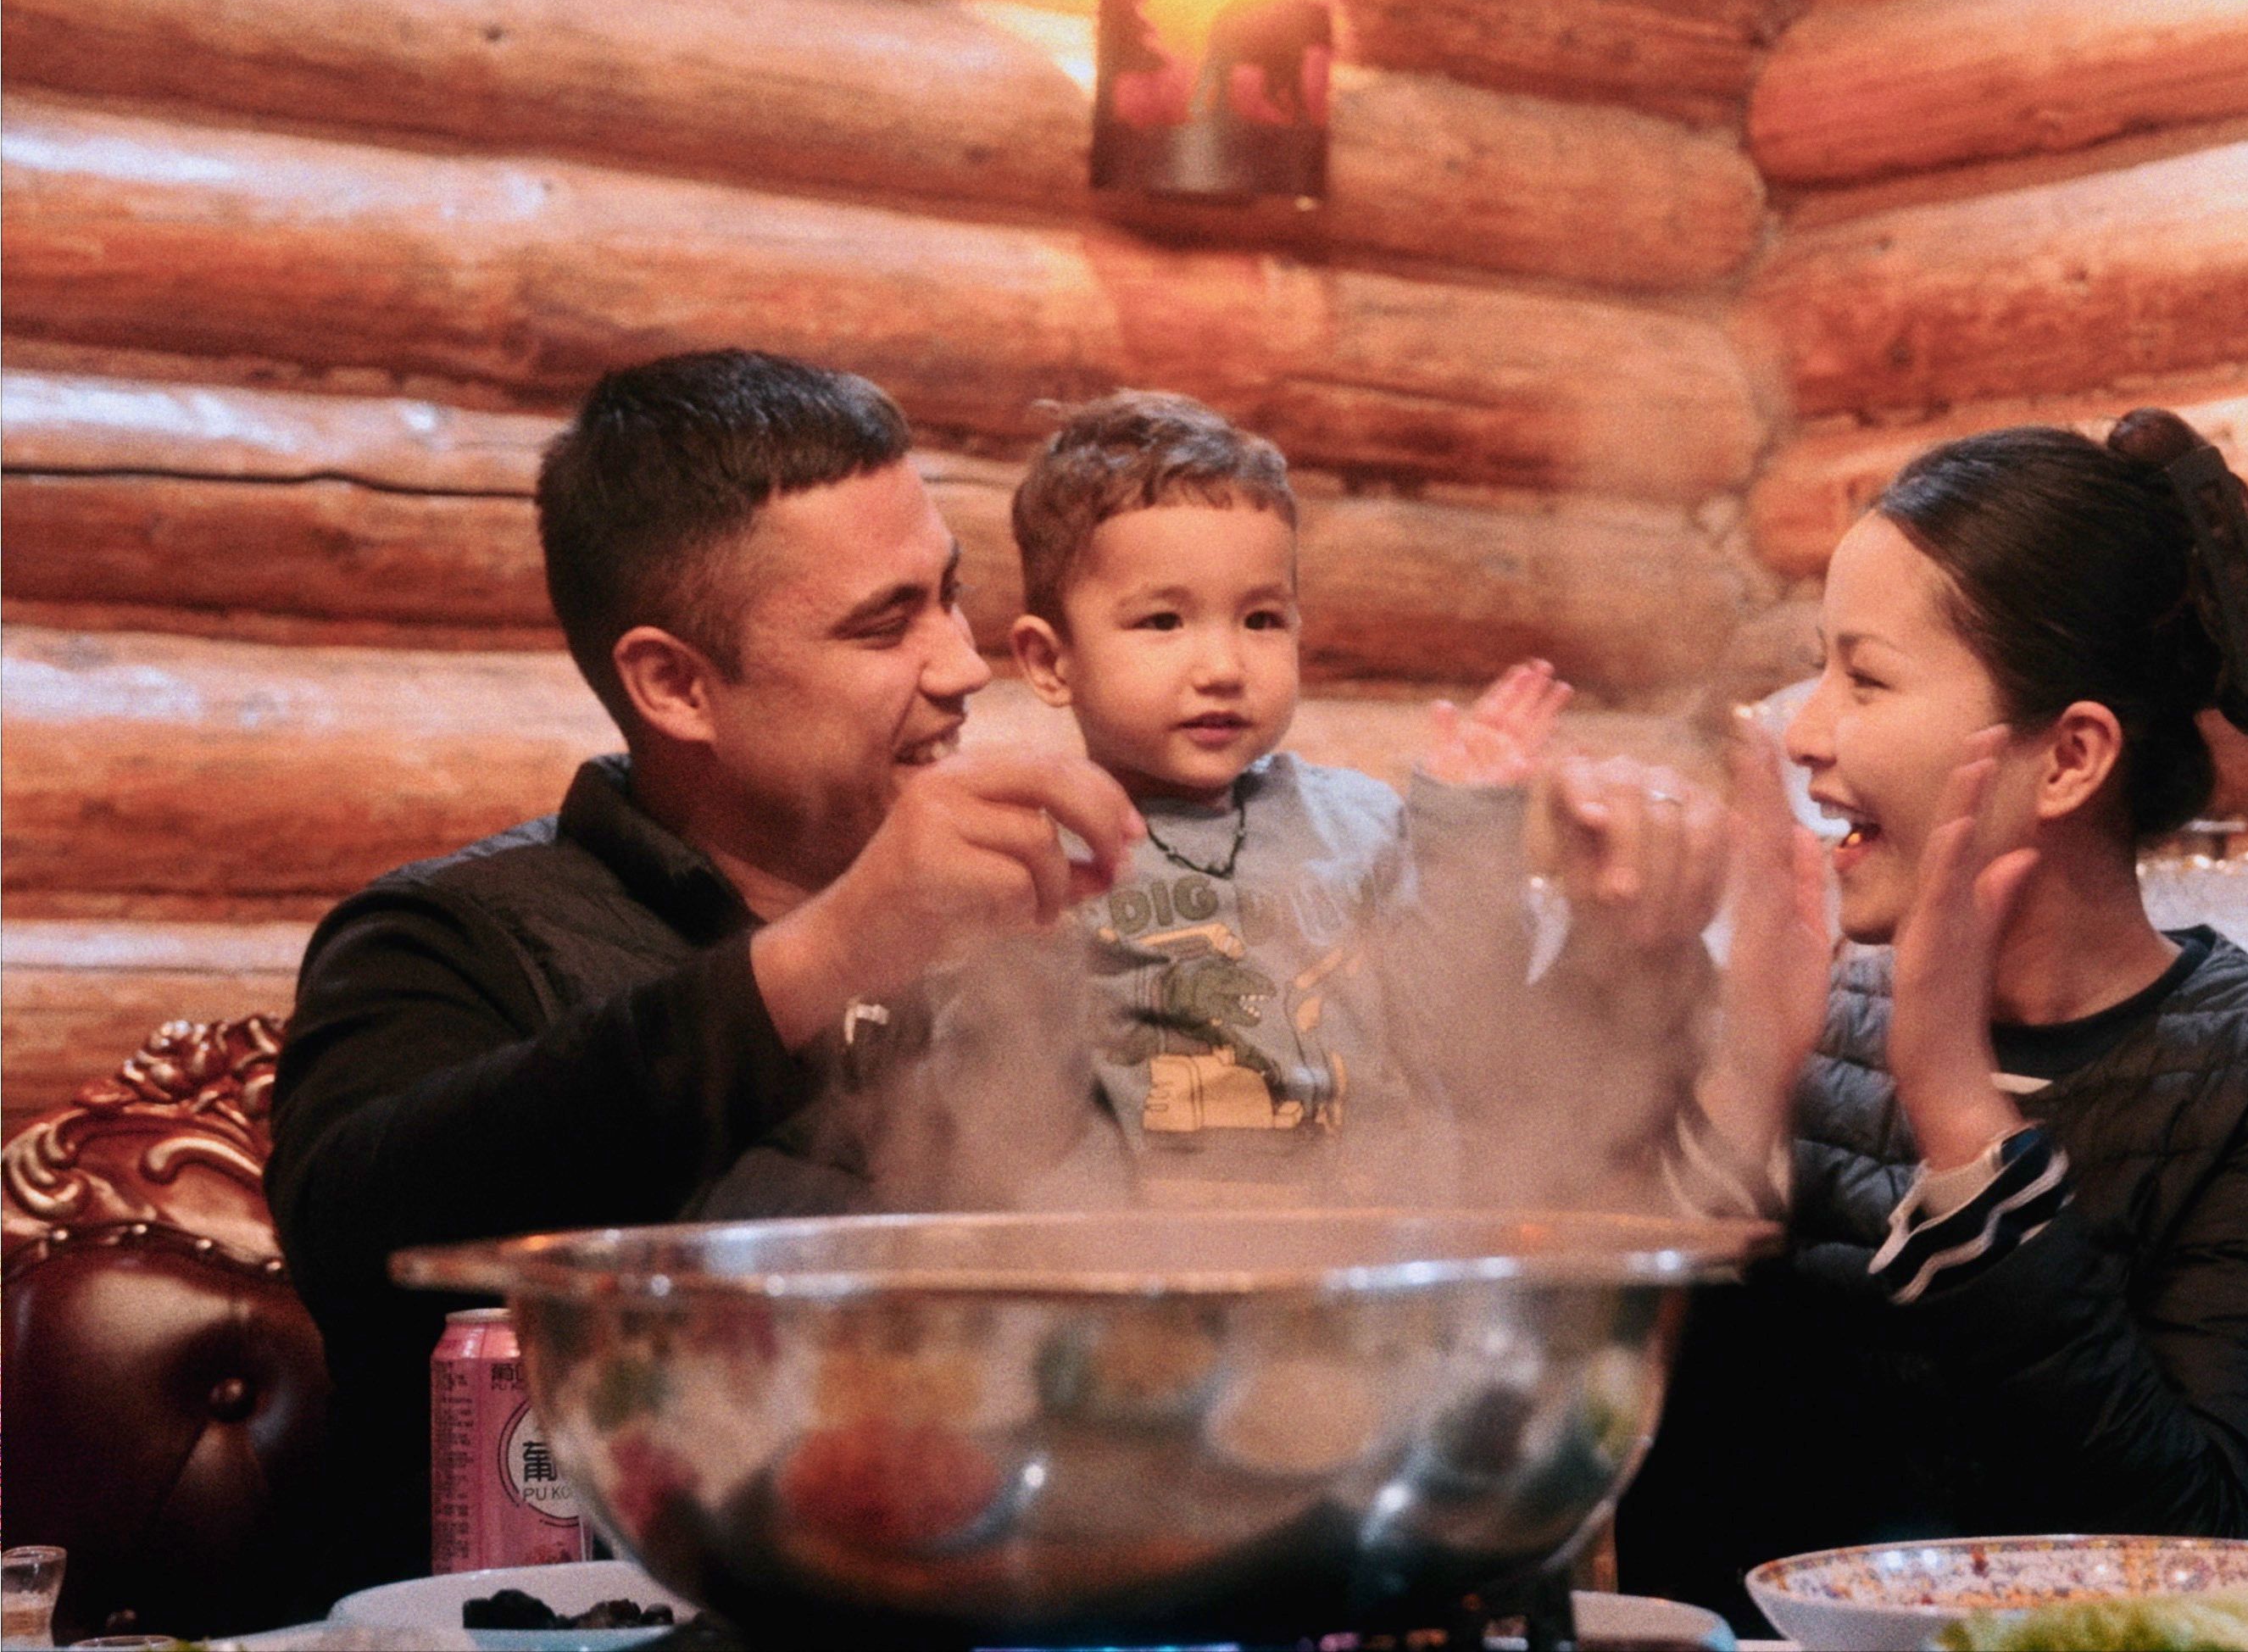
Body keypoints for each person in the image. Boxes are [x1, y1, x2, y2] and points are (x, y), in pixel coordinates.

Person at [266, 350, 1143, 1589]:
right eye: (885, 622)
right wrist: (831, 953)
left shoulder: (1011, 939)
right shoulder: (447, 938)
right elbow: (362, 1229)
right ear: (675, 684)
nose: (961, 664)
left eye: (948, 594)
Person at [1616, 412, 2248, 1626]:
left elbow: (2212, 1556)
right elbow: (1674, 1525)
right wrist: (1741, 1074)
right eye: (1817, 670)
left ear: (2067, 760)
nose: (1803, 732)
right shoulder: (1812, 1019)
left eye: (1865, 677)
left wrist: (1958, 1118)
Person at [704, 390, 1712, 1215]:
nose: (1223, 665)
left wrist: (1465, 824)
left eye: (1262, 618)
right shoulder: (1018, 842)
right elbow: (975, 1124)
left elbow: (1454, 1026)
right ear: (1050, 662)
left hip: (1373, 1271)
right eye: (1163, 621)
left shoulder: (1360, 823)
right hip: (1133, 1292)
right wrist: (1023, 951)